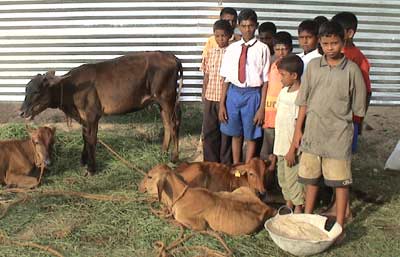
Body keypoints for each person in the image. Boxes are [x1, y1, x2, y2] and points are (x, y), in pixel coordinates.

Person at [293, 21, 367, 241]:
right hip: (313, 133)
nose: (330, 48)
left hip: (338, 136)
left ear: (343, 43)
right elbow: (303, 101)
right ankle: (307, 218)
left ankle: (340, 226)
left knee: (340, 182)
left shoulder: (352, 70)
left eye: (335, 43)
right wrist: (298, 130)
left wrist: (350, 130)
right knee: (310, 178)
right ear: (320, 43)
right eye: (326, 43)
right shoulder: (314, 67)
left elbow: (358, 108)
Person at [219, 8, 270, 164]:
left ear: (256, 26)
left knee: (251, 134)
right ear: (238, 27)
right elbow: (226, 78)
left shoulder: (263, 49)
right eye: (244, 26)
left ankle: (248, 166)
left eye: (251, 25)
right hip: (234, 94)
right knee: (236, 133)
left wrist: (261, 108)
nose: (247, 29)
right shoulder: (232, 49)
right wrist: (222, 104)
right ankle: (236, 166)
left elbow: (266, 80)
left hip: (253, 94)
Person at [332, 11, 372, 152]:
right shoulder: (329, 53)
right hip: (330, 114)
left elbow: (366, 91)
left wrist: (359, 119)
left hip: (348, 117)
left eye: (337, 31)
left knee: (343, 152)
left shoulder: (358, 58)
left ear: (349, 33)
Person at [273, 54, 305, 213]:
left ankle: (298, 208)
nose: (281, 79)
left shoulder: (300, 96)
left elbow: (298, 125)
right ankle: (288, 206)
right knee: (283, 179)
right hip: (280, 145)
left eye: (283, 75)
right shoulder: (284, 91)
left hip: (291, 147)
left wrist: (292, 149)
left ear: (294, 76)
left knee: (294, 180)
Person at [200, 20, 234, 164]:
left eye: (224, 36)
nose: (220, 39)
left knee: (225, 133)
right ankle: (210, 164)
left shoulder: (233, 53)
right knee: (209, 132)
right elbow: (207, 74)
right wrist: (203, 92)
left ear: (230, 36)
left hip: (225, 99)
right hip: (210, 97)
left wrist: (225, 102)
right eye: (217, 36)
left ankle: (225, 164)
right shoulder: (210, 52)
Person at [260, 31, 293, 171]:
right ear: (273, 49)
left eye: (284, 49)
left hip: (285, 115)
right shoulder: (271, 64)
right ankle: (267, 179)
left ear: (290, 49)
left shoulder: (293, 66)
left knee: (282, 148)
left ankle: (281, 179)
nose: (281, 52)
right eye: (277, 49)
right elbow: (265, 85)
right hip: (270, 114)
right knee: (267, 148)